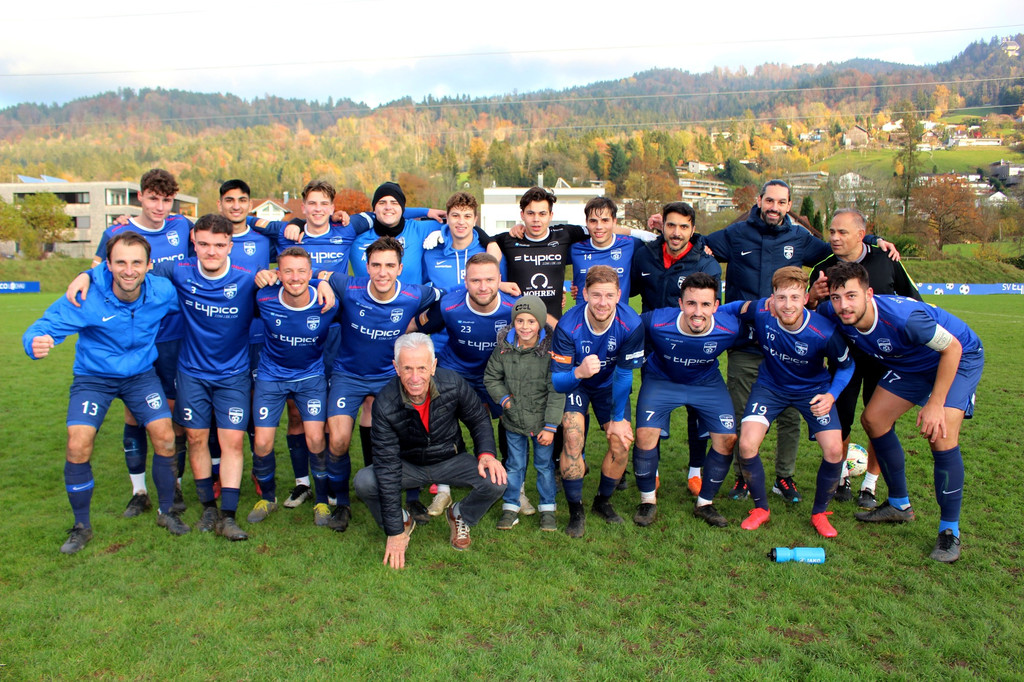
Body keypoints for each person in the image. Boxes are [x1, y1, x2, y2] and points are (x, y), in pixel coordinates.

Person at [703, 180, 896, 504]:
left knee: (790, 417)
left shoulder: (801, 239)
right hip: (748, 343)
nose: (774, 207)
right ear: (759, 201)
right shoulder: (735, 235)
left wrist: (873, 240)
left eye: (781, 202)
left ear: (789, 205)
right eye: (769, 201)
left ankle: (784, 477)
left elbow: (841, 247)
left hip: (791, 345)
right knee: (742, 413)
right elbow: (700, 244)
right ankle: (743, 477)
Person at [25, 232, 187, 553]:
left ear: (148, 265)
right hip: (94, 377)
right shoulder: (87, 296)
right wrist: (34, 342)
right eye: (121, 263)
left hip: (140, 375)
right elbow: (42, 326)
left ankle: (165, 511)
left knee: (165, 436)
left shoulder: (162, 292)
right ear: (108, 265)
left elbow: (197, 298)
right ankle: (81, 526)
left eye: (136, 263)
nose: (129, 270)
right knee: (78, 443)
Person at [821, 262, 984, 563]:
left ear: (869, 294)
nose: (844, 305)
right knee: (874, 419)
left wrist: (935, 403)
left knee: (940, 436)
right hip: (912, 365)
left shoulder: (905, 319)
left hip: (957, 358)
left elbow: (953, 349)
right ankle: (899, 504)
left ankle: (949, 532)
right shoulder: (834, 312)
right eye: (836, 297)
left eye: (852, 296)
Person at [87, 168, 191, 519]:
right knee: (134, 413)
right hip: (134, 338)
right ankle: (139, 490)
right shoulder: (117, 231)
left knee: (173, 415)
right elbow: (98, 273)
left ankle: (173, 485)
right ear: (140, 197)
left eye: (166, 199)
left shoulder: (182, 227)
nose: (160, 206)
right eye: (153, 198)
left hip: (176, 336)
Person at [317, 236, 440, 532]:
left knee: (408, 436)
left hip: (389, 375)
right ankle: (343, 504)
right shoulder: (349, 286)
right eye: (375, 265)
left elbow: (448, 298)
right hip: (349, 375)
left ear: (399, 268)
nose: (382, 272)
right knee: (337, 440)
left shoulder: (415, 294)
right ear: (366, 266)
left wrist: (419, 324)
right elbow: (312, 273)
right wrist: (320, 281)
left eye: (389, 265)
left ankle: (411, 498)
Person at [353, 333, 507, 568]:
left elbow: (478, 418)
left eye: (422, 368)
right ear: (396, 368)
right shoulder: (384, 403)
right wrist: (394, 532)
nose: (415, 378)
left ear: (434, 366)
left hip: (449, 458)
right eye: (407, 369)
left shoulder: (453, 383)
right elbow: (387, 467)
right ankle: (402, 521)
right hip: (409, 465)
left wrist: (486, 454)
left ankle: (460, 514)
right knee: (365, 481)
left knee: (497, 480)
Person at [807, 208, 921, 507]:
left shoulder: (886, 259)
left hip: (885, 358)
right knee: (840, 420)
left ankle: (869, 485)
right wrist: (814, 295)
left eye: (842, 232)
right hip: (843, 358)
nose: (834, 237)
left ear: (861, 234)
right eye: (831, 231)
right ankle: (842, 477)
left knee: (879, 421)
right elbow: (810, 314)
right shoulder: (823, 267)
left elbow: (914, 301)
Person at [732, 267, 854, 538]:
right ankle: (760, 509)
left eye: (795, 298)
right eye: (782, 297)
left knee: (834, 450)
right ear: (771, 298)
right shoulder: (762, 312)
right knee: (747, 444)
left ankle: (820, 513)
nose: (788, 305)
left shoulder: (823, 331)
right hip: (770, 387)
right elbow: (733, 309)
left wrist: (831, 394)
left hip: (812, 390)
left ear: (806, 298)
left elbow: (847, 366)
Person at [632, 272, 741, 528]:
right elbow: (626, 325)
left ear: (716, 306)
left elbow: (761, 320)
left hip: (706, 383)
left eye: (705, 304)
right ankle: (647, 501)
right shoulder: (657, 321)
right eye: (691, 303)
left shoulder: (730, 327)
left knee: (727, 439)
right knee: (645, 435)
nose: (697, 311)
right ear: (680, 304)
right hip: (662, 380)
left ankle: (705, 503)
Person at [414, 253, 516, 516]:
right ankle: (443, 489)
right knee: (438, 416)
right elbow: (416, 327)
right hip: (455, 370)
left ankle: (515, 487)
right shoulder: (449, 304)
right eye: (476, 280)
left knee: (514, 416)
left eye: (490, 280)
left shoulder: (515, 307)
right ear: (465, 281)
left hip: (496, 374)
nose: (483, 287)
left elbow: (544, 328)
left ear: (500, 280)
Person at [633, 201, 722, 496]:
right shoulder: (645, 256)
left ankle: (695, 471)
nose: (677, 232)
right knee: (652, 411)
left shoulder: (705, 263)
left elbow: (712, 309)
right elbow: (628, 287)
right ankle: (653, 470)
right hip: (653, 348)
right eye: (671, 225)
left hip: (693, 347)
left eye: (684, 227)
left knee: (697, 411)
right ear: (662, 226)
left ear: (693, 230)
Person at [550, 265, 644, 537]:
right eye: (596, 295)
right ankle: (575, 510)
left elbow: (625, 375)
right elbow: (558, 382)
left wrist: (617, 419)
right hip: (576, 385)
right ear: (585, 295)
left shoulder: (631, 323)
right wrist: (578, 372)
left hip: (610, 386)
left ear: (619, 295)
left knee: (621, 441)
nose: (603, 303)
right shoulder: (568, 325)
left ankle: (602, 502)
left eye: (609, 295)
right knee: (572, 436)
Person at [247, 247, 336, 525]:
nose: (294, 278)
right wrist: (259, 276)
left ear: (310, 274)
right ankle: (268, 498)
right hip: (271, 376)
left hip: (310, 377)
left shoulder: (327, 301)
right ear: (278, 273)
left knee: (317, 439)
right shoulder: (264, 297)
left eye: (301, 272)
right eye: (287, 271)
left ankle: (321, 501)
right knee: (261, 442)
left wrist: (324, 283)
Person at [484, 296, 563, 532]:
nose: (525, 326)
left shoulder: (551, 352)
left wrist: (551, 426)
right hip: (513, 420)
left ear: (540, 323)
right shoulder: (504, 348)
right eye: (519, 320)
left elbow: (556, 389)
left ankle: (547, 509)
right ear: (513, 322)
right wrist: (505, 400)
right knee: (514, 465)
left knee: (544, 466)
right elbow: (491, 377)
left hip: (542, 424)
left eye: (531, 321)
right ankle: (511, 506)